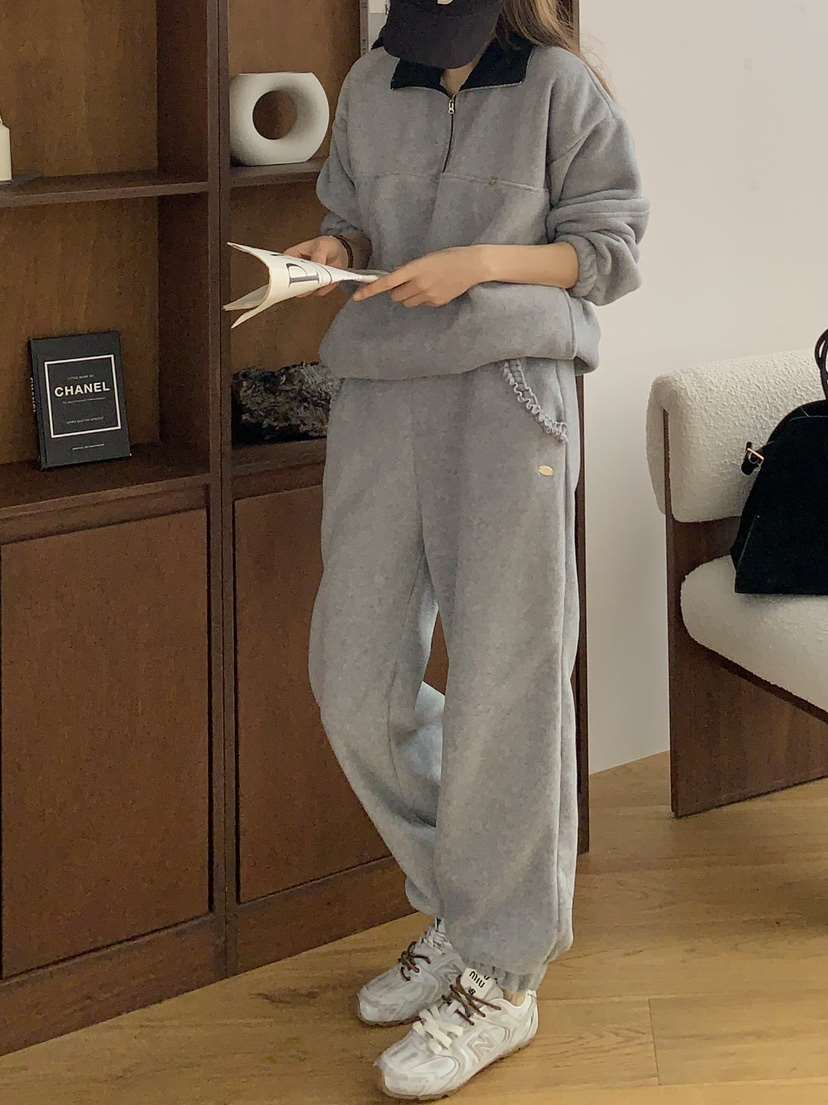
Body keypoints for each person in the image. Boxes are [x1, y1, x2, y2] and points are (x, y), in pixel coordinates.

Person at [286, 0, 650, 1097]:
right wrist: (336, 248)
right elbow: (352, 215)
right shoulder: (369, 83)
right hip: (380, 393)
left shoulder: (559, 89)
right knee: (353, 679)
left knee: (508, 683)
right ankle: (467, 897)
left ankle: (502, 972)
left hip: (509, 395)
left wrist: (478, 262)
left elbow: (608, 254)